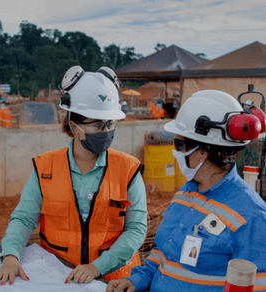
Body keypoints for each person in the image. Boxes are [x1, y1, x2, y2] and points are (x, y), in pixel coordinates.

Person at [0, 65, 147, 286]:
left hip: (113, 281)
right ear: (74, 125)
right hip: (59, 278)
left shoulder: (128, 169)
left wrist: (96, 267)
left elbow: (136, 229)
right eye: (97, 124)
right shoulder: (45, 167)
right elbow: (24, 218)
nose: (106, 131)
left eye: (110, 123)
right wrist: (10, 256)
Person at [107, 90, 266, 292]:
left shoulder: (252, 217)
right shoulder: (185, 193)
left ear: (201, 152)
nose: (175, 152)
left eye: (179, 144)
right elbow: (163, 251)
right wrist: (139, 278)